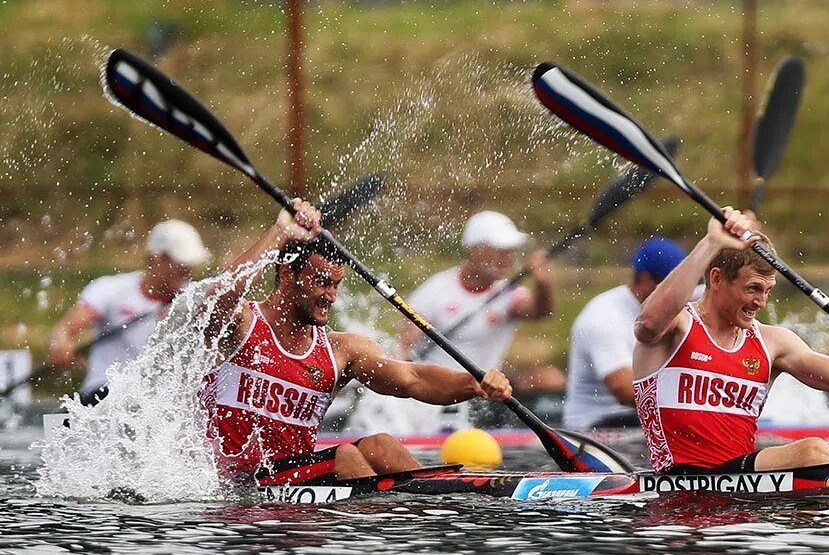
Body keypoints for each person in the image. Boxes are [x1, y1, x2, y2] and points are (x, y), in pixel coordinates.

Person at [200, 200, 513, 485]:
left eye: (336, 285)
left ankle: (434, 509)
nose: (331, 297)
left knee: (382, 445)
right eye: (322, 283)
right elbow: (220, 293)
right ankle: (384, 528)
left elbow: (412, 379)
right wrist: (280, 231)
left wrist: (474, 383)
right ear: (286, 276)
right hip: (233, 482)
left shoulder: (341, 351)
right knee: (345, 456)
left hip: (292, 478)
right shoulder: (240, 325)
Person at [633, 209, 829, 474]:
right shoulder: (676, 328)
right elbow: (647, 324)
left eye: (768, 291)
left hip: (737, 486)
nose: (761, 302)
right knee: (812, 451)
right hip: (682, 479)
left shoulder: (772, 342)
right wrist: (711, 242)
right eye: (753, 288)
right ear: (716, 279)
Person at [48, 219, 211, 405]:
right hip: (104, 393)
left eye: (190, 263)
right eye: (179, 263)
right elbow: (64, 329)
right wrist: (60, 343)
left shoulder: (196, 300)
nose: (187, 270)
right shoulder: (110, 289)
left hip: (162, 399)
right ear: (155, 258)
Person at [400, 210, 554, 371]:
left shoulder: (510, 293)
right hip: (431, 390)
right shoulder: (435, 290)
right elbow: (405, 347)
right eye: (500, 249)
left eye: (511, 250)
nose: (508, 257)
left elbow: (541, 312)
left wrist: (543, 284)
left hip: (481, 392)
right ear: (473, 250)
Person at [562, 237, 687, 430]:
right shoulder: (603, 316)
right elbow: (625, 390)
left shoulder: (677, 298)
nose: (684, 293)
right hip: (598, 426)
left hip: (644, 420)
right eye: (676, 285)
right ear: (646, 281)